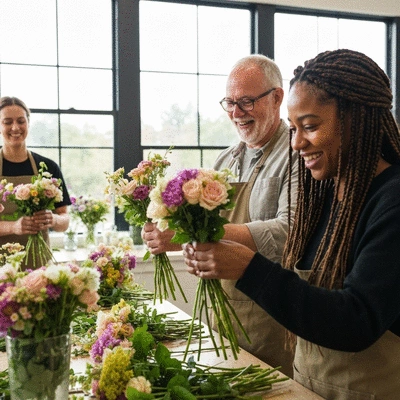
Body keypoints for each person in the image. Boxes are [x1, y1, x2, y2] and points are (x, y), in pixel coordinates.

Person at [183, 48, 400, 399]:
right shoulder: (325, 194)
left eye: (310, 126)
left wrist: (249, 268)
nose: (297, 142)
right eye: (295, 127)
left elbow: (356, 321)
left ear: (355, 120)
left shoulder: (392, 200)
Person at [142, 54, 298, 377]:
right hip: (221, 312)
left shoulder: (296, 156)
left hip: (271, 316)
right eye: (229, 102)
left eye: (246, 102)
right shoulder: (226, 159)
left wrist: (202, 235)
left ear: (277, 97)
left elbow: (288, 232)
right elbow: (203, 224)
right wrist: (170, 234)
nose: (236, 113)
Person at [0, 96, 71, 268]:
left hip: (39, 266)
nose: (15, 127)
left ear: (28, 123)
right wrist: (13, 227)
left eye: (21, 121)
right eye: (7, 122)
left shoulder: (47, 167)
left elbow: (65, 221)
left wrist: (53, 219)